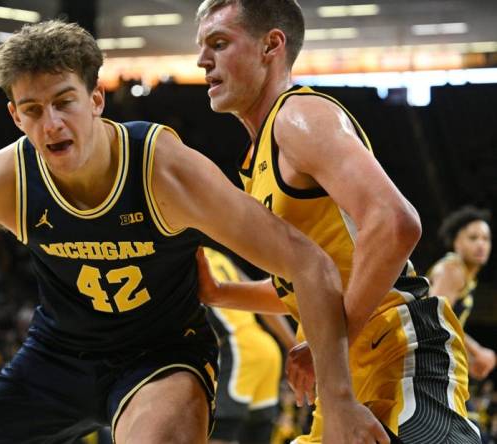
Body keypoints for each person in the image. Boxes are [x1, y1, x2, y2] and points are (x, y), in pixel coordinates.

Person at [0, 20, 384, 444]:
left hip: (162, 356)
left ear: (96, 99)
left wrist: (338, 404)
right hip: (56, 356)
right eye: (33, 110)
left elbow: (308, 264)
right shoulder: (5, 180)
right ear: (15, 117)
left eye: (64, 102)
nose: (51, 123)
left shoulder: (165, 169)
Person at [194, 0, 481, 442]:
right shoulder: (258, 158)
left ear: (272, 46)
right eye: (202, 47)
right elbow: (312, 284)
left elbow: (396, 222)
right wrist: (220, 292)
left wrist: (335, 341)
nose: (202, 60)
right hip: (341, 374)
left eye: (219, 43)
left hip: (397, 349)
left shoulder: (299, 116)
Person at [202, 247, 296, 444]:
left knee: (217, 435)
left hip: (237, 351)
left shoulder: (180, 259)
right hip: (266, 350)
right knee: (257, 437)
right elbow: (260, 297)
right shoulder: (216, 255)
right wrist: (291, 344)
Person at [428, 206, 493, 442]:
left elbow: (448, 323)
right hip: (427, 370)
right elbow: (434, 317)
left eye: (486, 238)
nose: (481, 244)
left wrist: (469, 355)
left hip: (441, 371)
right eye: (473, 237)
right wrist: (477, 351)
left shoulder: (465, 276)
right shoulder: (452, 268)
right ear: (456, 242)